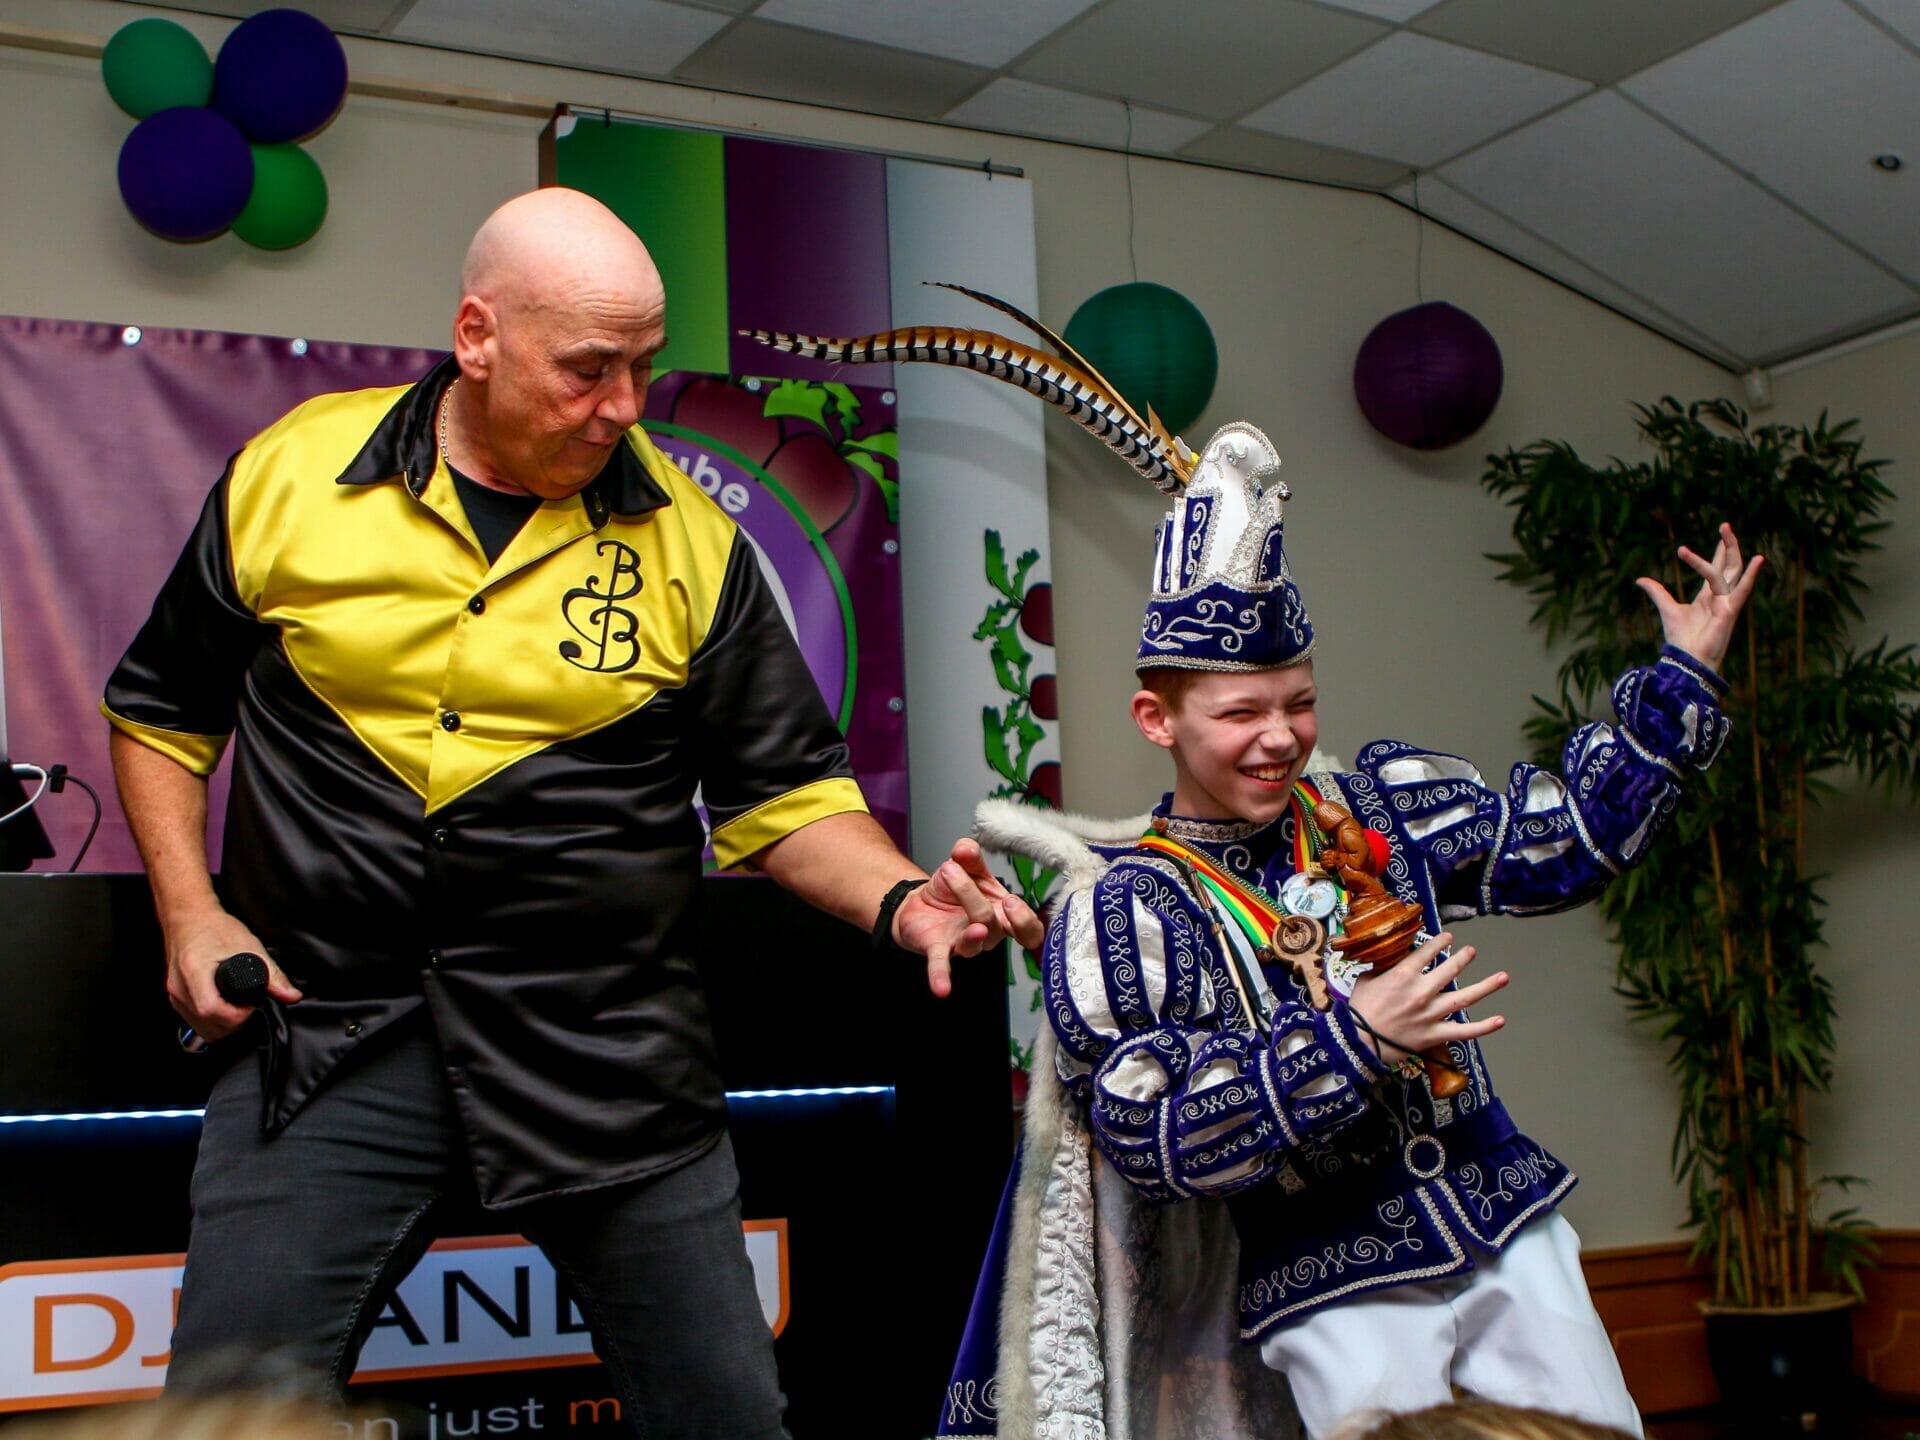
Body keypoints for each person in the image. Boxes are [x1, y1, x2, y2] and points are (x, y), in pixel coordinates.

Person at [101, 187, 1040, 1440]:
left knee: (724, 1422)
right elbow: (163, 710)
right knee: (231, 1422)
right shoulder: (293, 472)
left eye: (644, 367)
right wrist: (189, 912)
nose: (625, 406)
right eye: (588, 369)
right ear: (477, 337)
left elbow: (784, 794)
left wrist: (899, 898)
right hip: (328, 1040)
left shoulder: (695, 543)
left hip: (606, 1054)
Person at [736, 306, 1759, 1440]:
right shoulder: (1125, 904)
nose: (1280, 737)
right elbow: (1151, 1134)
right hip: (1333, 1279)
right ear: (1156, 719)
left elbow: (1567, 843)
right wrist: (1356, 1040)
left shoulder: (1376, 804)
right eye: (1240, 713)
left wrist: (1682, 674)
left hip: (1509, 1220)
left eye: (1299, 703)